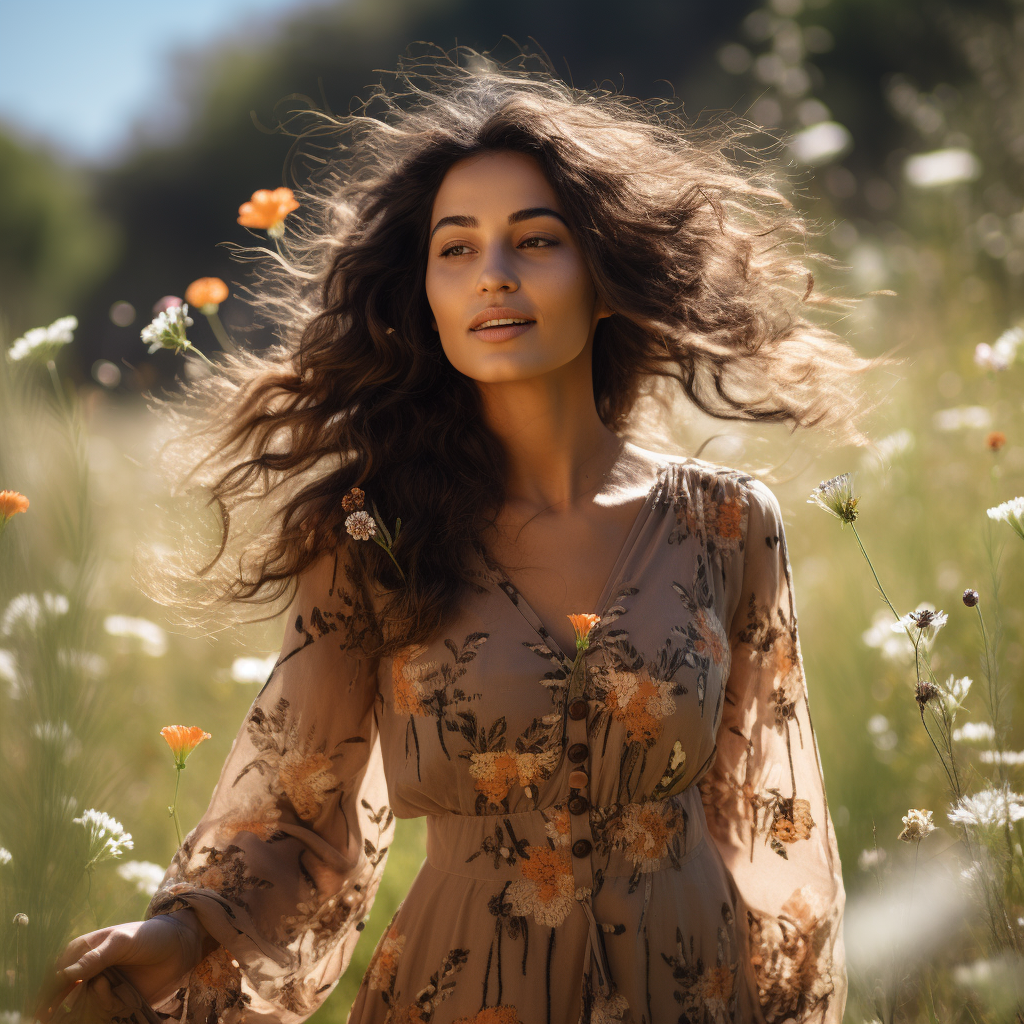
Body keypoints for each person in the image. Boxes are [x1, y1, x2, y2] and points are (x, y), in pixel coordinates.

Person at [48, 50, 880, 1024]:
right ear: (426, 296)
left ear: (603, 274)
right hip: (466, 991)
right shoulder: (371, 535)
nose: (492, 276)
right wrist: (181, 933)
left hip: (690, 991)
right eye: (456, 248)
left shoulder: (728, 523)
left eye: (534, 242)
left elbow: (766, 824)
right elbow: (297, 818)